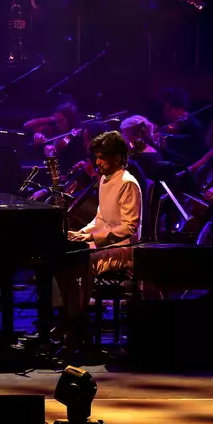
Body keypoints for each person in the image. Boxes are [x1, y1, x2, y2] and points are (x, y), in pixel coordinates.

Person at [57, 131, 142, 350]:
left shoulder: (127, 183)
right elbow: (100, 218)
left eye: (102, 157)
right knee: (63, 257)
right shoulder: (104, 180)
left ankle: (78, 323)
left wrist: (92, 239)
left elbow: (129, 228)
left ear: (117, 157)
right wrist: (82, 234)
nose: (97, 162)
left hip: (123, 248)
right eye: (96, 157)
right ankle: (67, 317)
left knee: (81, 260)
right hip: (103, 244)